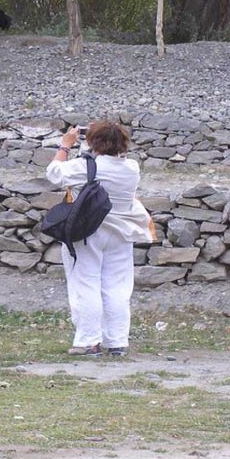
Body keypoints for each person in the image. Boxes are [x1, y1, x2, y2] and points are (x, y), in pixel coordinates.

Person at [45, 120, 153, 357]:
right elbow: (98, 163)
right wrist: (91, 144)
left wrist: (65, 146)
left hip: (88, 231)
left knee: (86, 283)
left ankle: (88, 341)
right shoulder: (132, 167)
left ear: (94, 142)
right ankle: (117, 342)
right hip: (121, 233)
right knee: (117, 287)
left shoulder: (85, 166)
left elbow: (54, 173)